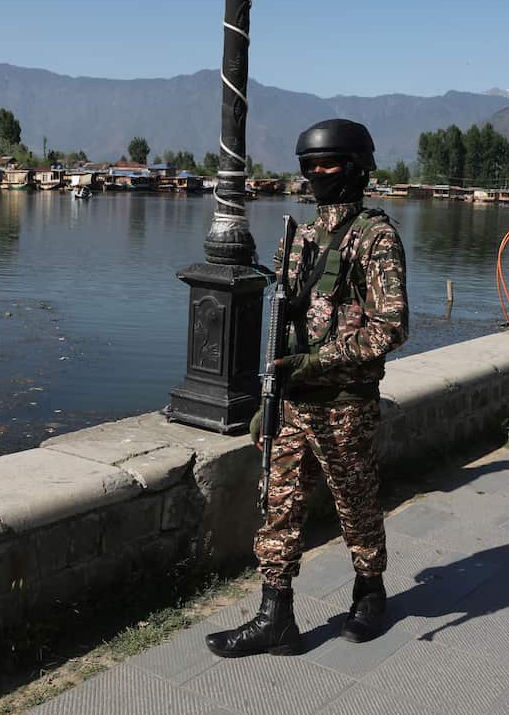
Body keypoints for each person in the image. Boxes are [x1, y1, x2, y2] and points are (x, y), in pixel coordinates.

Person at [206, 119, 409, 657]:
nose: (318, 173)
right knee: (279, 504)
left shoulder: (375, 237)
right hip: (294, 402)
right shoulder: (301, 236)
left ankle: (370, 592)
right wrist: (267, 400)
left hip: (345, 404)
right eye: (311, 165)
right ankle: (276, 616)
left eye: (329, 163)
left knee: (356, 503)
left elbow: (392, 326)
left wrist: (318, 362)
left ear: (357, 167)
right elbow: (286, 324)